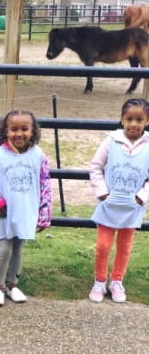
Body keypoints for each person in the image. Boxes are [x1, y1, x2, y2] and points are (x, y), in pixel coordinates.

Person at [0, 110, 52, 306]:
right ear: (6, 131)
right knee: (4, 249)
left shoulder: (38, 155)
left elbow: (45, 183)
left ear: (32, 131)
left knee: (18, 249)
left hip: (26, 210)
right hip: (4, 212)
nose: (19, 133)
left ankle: (13, 284)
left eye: (24, 129)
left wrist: (43, 213)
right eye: (14, 129)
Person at [88, 98, 149, 303]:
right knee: (103, 245)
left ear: (146, 121)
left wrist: (141, 197)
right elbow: (96, 166)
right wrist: (103, 193)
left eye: (139, 119)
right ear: (122, 120)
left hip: (132, 207)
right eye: (129, 119)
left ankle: (117, 281)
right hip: (109, 204)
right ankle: (99, 280)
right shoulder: (110, 142)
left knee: (125, 247)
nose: (134, 124)